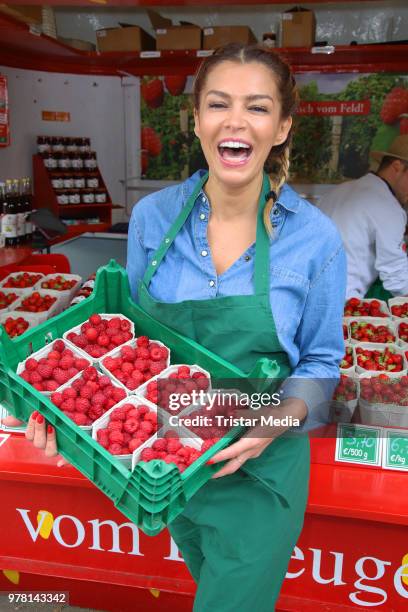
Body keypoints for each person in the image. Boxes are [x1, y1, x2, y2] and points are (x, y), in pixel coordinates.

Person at [25, 44, 346, 611]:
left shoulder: (315, 239)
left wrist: (268, 426)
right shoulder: (153, 219)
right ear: (196, 119)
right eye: (219, 103)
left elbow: (321, 364)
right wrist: (62, 404)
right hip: (168, 457)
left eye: (258, 107)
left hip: (260, 468)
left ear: (282, 127)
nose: (236, 120)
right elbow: (124, 336)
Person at [318, 135, 408, 299]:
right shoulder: (388, 207)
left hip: (308, 298)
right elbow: (396, 276)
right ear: (397, 167)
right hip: (341, 302)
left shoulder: (337, 192)